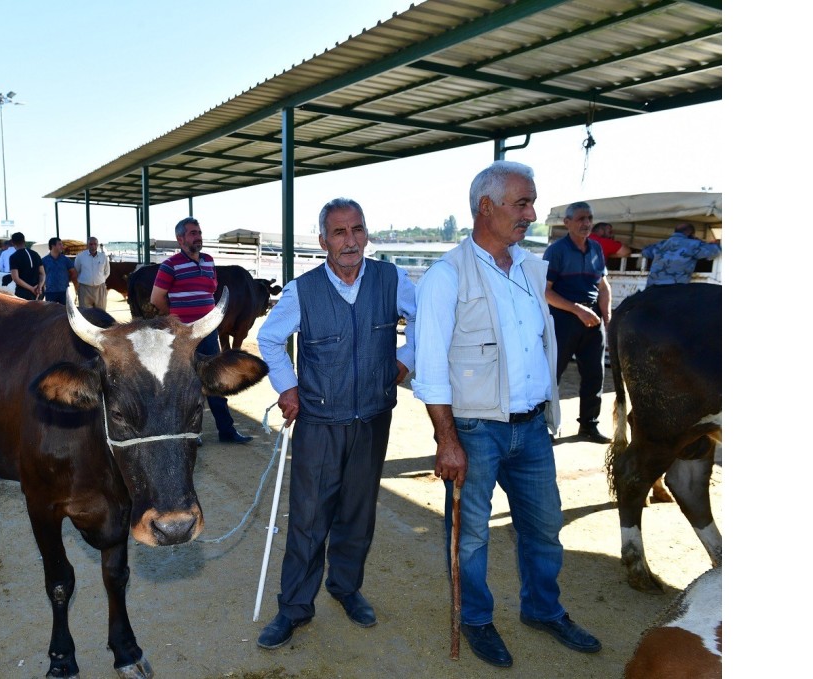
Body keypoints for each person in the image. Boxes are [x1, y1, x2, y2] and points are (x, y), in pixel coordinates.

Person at [413, 160, 601, 669]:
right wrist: (446, 440)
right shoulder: (445, 277)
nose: (532, 213)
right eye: (522, 203)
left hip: (532, 427)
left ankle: (543, 609)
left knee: (544, 527)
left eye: (532, 202)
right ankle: (476, 619)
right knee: (470, 538)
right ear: (486, 207)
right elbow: (428, 370)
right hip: (474, 431)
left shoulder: (529, 268)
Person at [254, 198, 416, 650]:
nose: (350, 241)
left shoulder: (391, 279)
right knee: (308, 517)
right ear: (323, 240)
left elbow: (430, 321)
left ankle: (346, 589)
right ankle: (294, 608)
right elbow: (269, 338)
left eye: (357, 230)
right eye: (339, 233)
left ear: (367, 235)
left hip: (372, 418)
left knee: (358, 513)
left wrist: (406, 360)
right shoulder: (302, 290)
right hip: (320, 422)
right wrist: (287, 388)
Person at [150, 217, 252, 446]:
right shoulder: (170, 265)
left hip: (208, 332)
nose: (198, 236)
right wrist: (175, 322)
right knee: (186, 384)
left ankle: (226, 431)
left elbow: (210, 290)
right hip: (184, 336)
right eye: (193, 233)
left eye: (199, 232)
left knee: (214, 381)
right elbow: (156, 299)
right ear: (180, 239)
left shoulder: (208, 261)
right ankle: (189, 433)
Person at [543, 201, 612, 444]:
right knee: (553, 373)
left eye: (589, 218)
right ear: (567, 223)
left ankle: (589, 426)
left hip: (592, 319)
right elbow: (545, 291)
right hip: (563, 317)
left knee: (595, 374)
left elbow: (603, 286)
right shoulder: (557, 251)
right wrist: (577, 310)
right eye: (581, 218)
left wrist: (607, 317)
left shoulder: (595, 249)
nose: (586, 223)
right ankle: (545, 427)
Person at [641, 222, 721, 287]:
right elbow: (715, 251)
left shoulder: (661, 244)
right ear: (691, 233)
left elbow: (645, 252)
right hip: (674, 289)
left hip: (652, 287)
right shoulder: (693, 244)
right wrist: (712, 243)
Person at [74, 236, 111, 309]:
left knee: (101, 313)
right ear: (87, 245)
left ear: (97, 245)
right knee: (85, 313)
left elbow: (107, 272)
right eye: (91, 244)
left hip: (100, 288)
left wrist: (100, 280)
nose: (93, 246)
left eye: (95, 244)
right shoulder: (80, 256)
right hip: (84, 289)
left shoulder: (103, 257)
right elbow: (76, 271)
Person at [7, 232, 44, 301]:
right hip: (39, 293)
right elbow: (42, 274)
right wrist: (39, 286)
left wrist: (31, 289)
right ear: (24, 241)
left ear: (12, 243)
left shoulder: (13, 257)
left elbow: (16, 278)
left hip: (23, 293)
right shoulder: (35, 254)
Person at [41, 237, 77, 304]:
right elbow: (41, 275)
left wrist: (67, 280)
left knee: (64, 312)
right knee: (51, 312)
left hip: (64, 292)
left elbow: (73, 272)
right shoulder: (44, 261)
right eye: (60, 244)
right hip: (50, 292)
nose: (62, 246)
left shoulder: (66, 260)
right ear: (53, 246)